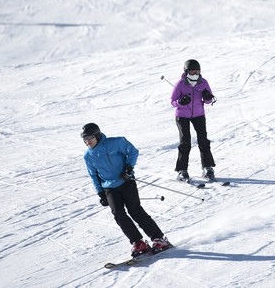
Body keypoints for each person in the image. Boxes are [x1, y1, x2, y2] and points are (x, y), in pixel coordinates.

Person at [81, 123, 171, 257]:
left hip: (126, 181)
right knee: (118, 214)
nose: (87, 141)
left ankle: (159, 238)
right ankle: (138, 242)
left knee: (135, 210)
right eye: (84, 138)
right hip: (109, 187)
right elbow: (93, 175)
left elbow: (133, 152)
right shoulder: (88, 156)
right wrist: (100, 193)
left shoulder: (116, 142)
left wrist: (128, 168)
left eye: (90, 137)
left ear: (97, 135)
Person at [170, 60, 217, 181]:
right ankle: (182, 170)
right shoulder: (180, 84)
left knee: (203, 140)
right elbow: (173, 102)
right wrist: (180, 102)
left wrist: (207, 97)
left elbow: (208, 100)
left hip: (198, 115)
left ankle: (207, 167)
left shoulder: (203, 82)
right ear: (186, 71)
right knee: (185, 142)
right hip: (182, 116)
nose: (195, 73)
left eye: (197, 70)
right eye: (192, 70)